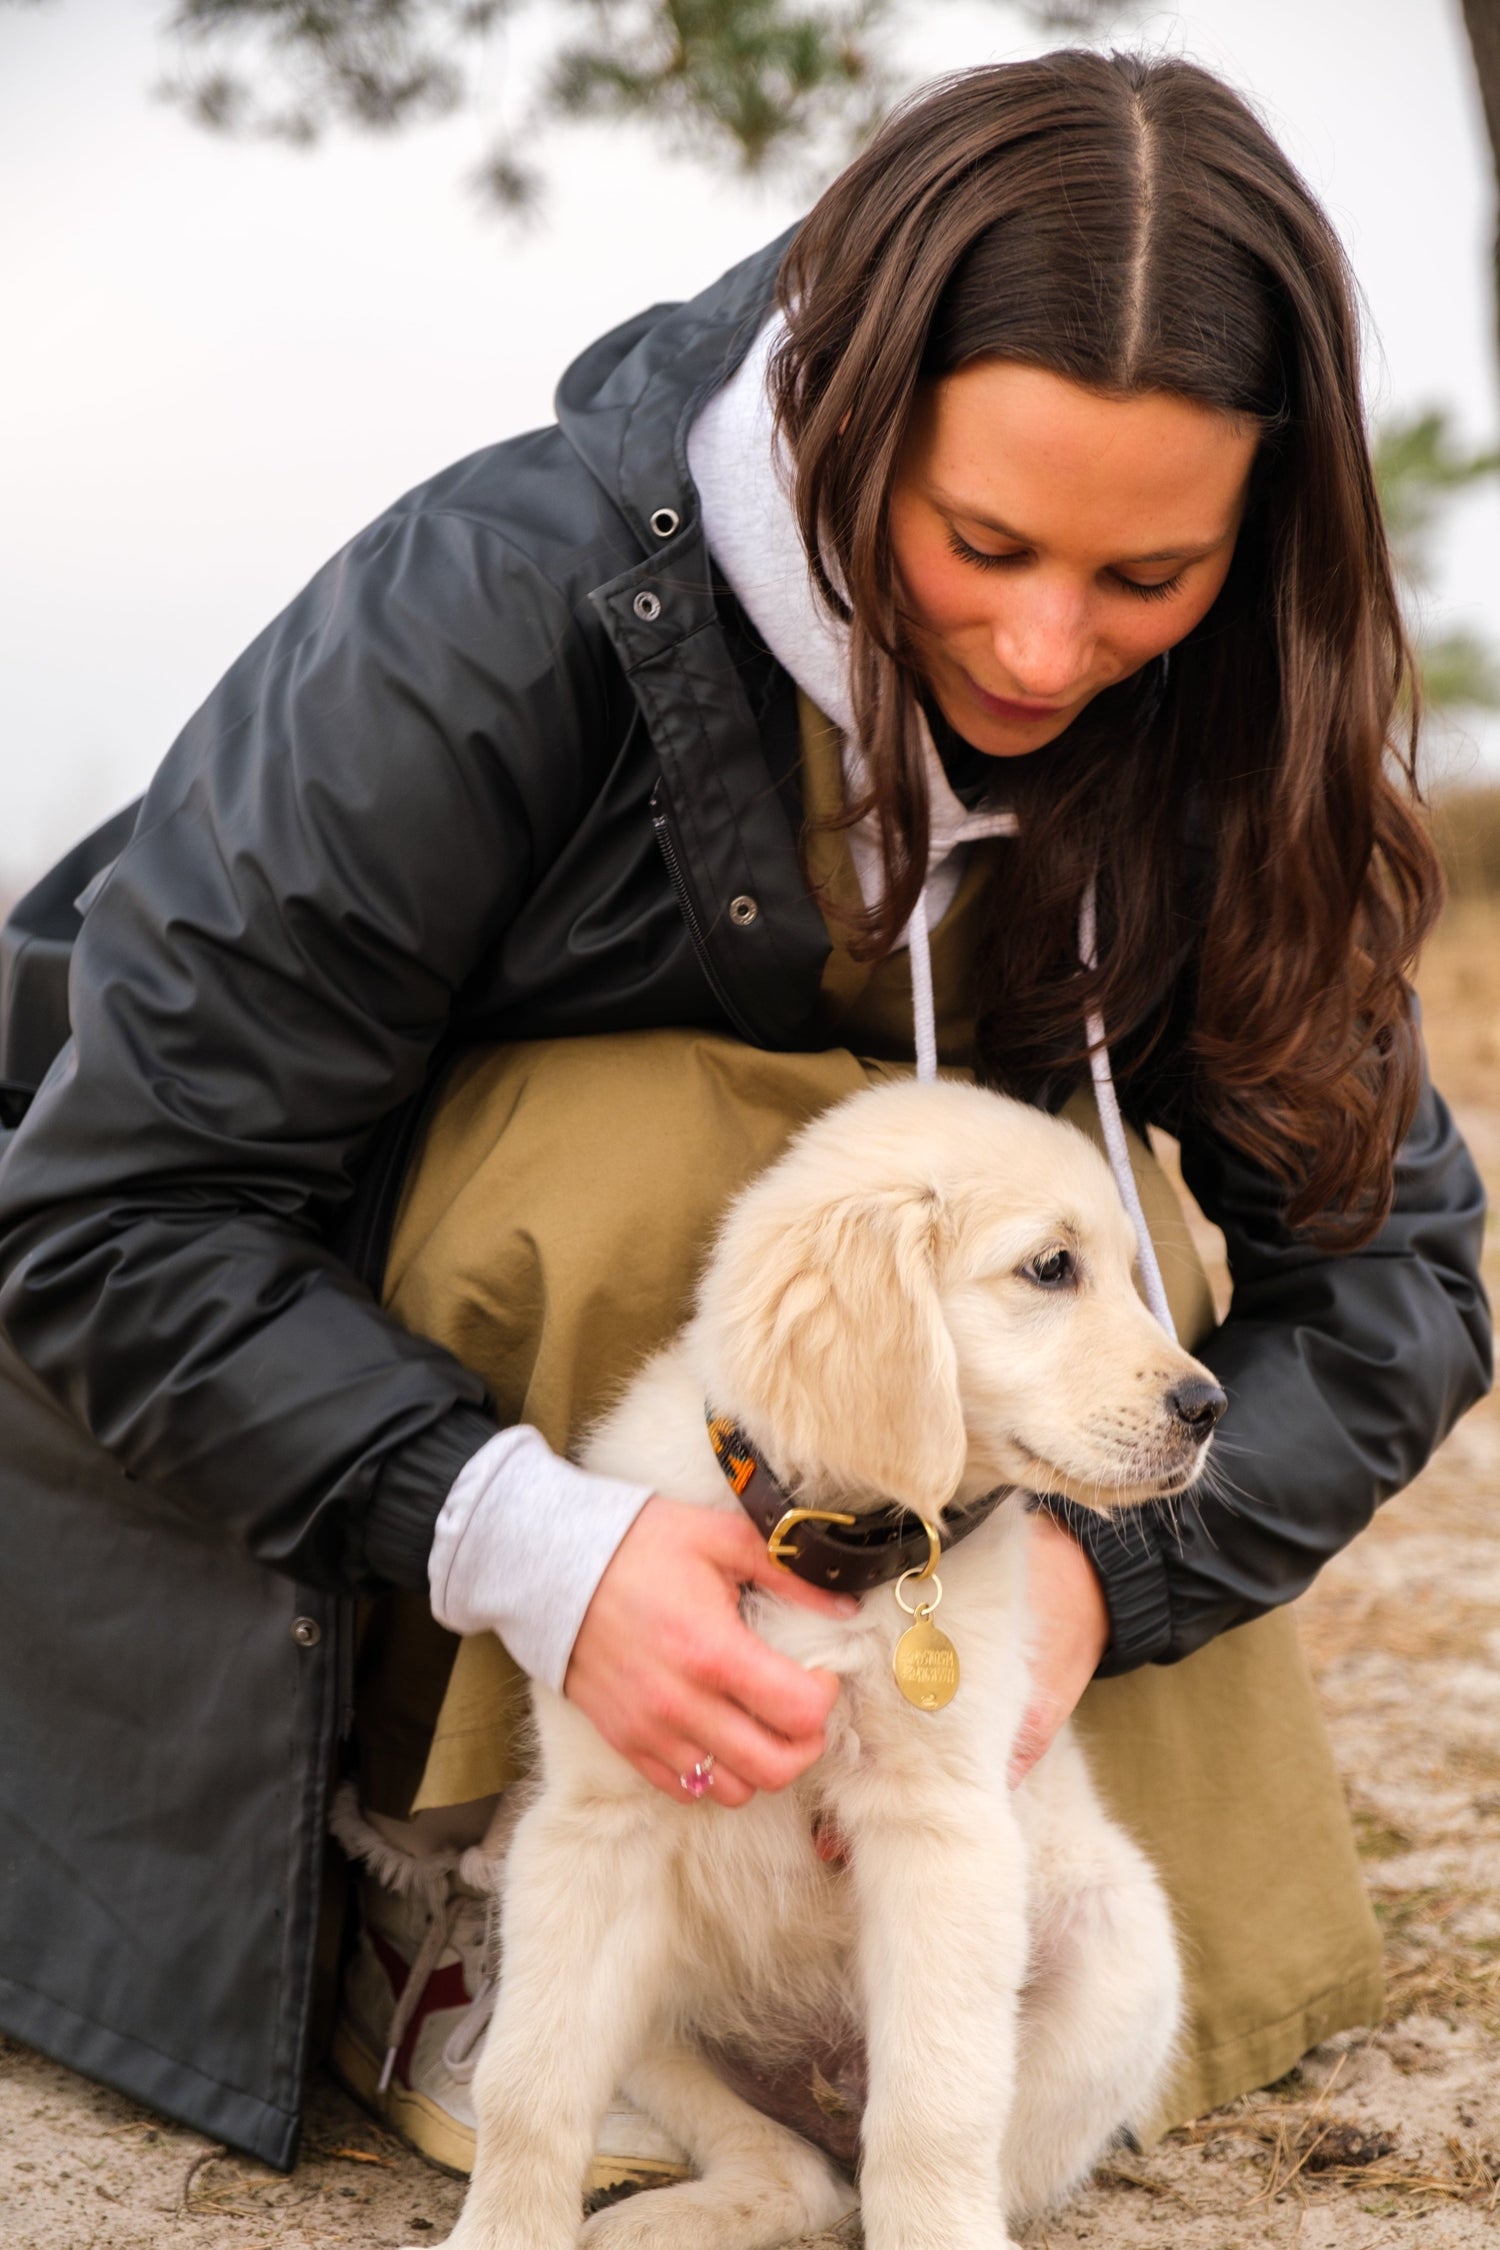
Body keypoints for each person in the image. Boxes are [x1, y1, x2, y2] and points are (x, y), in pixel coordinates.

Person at [0, 47, 1489, 2190]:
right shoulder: (486, 619)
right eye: (982, 541)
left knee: (1066, 1223)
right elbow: (116, 1206)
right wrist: (539, 1539)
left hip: (945, 1569)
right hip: (376, 1408)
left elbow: (1397, 1280)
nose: (1049, 646)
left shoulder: (1236, 724)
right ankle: (439, 1887)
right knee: (682, 1149)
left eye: (1146, 579)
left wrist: (1086, 1588)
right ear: (849, 416)